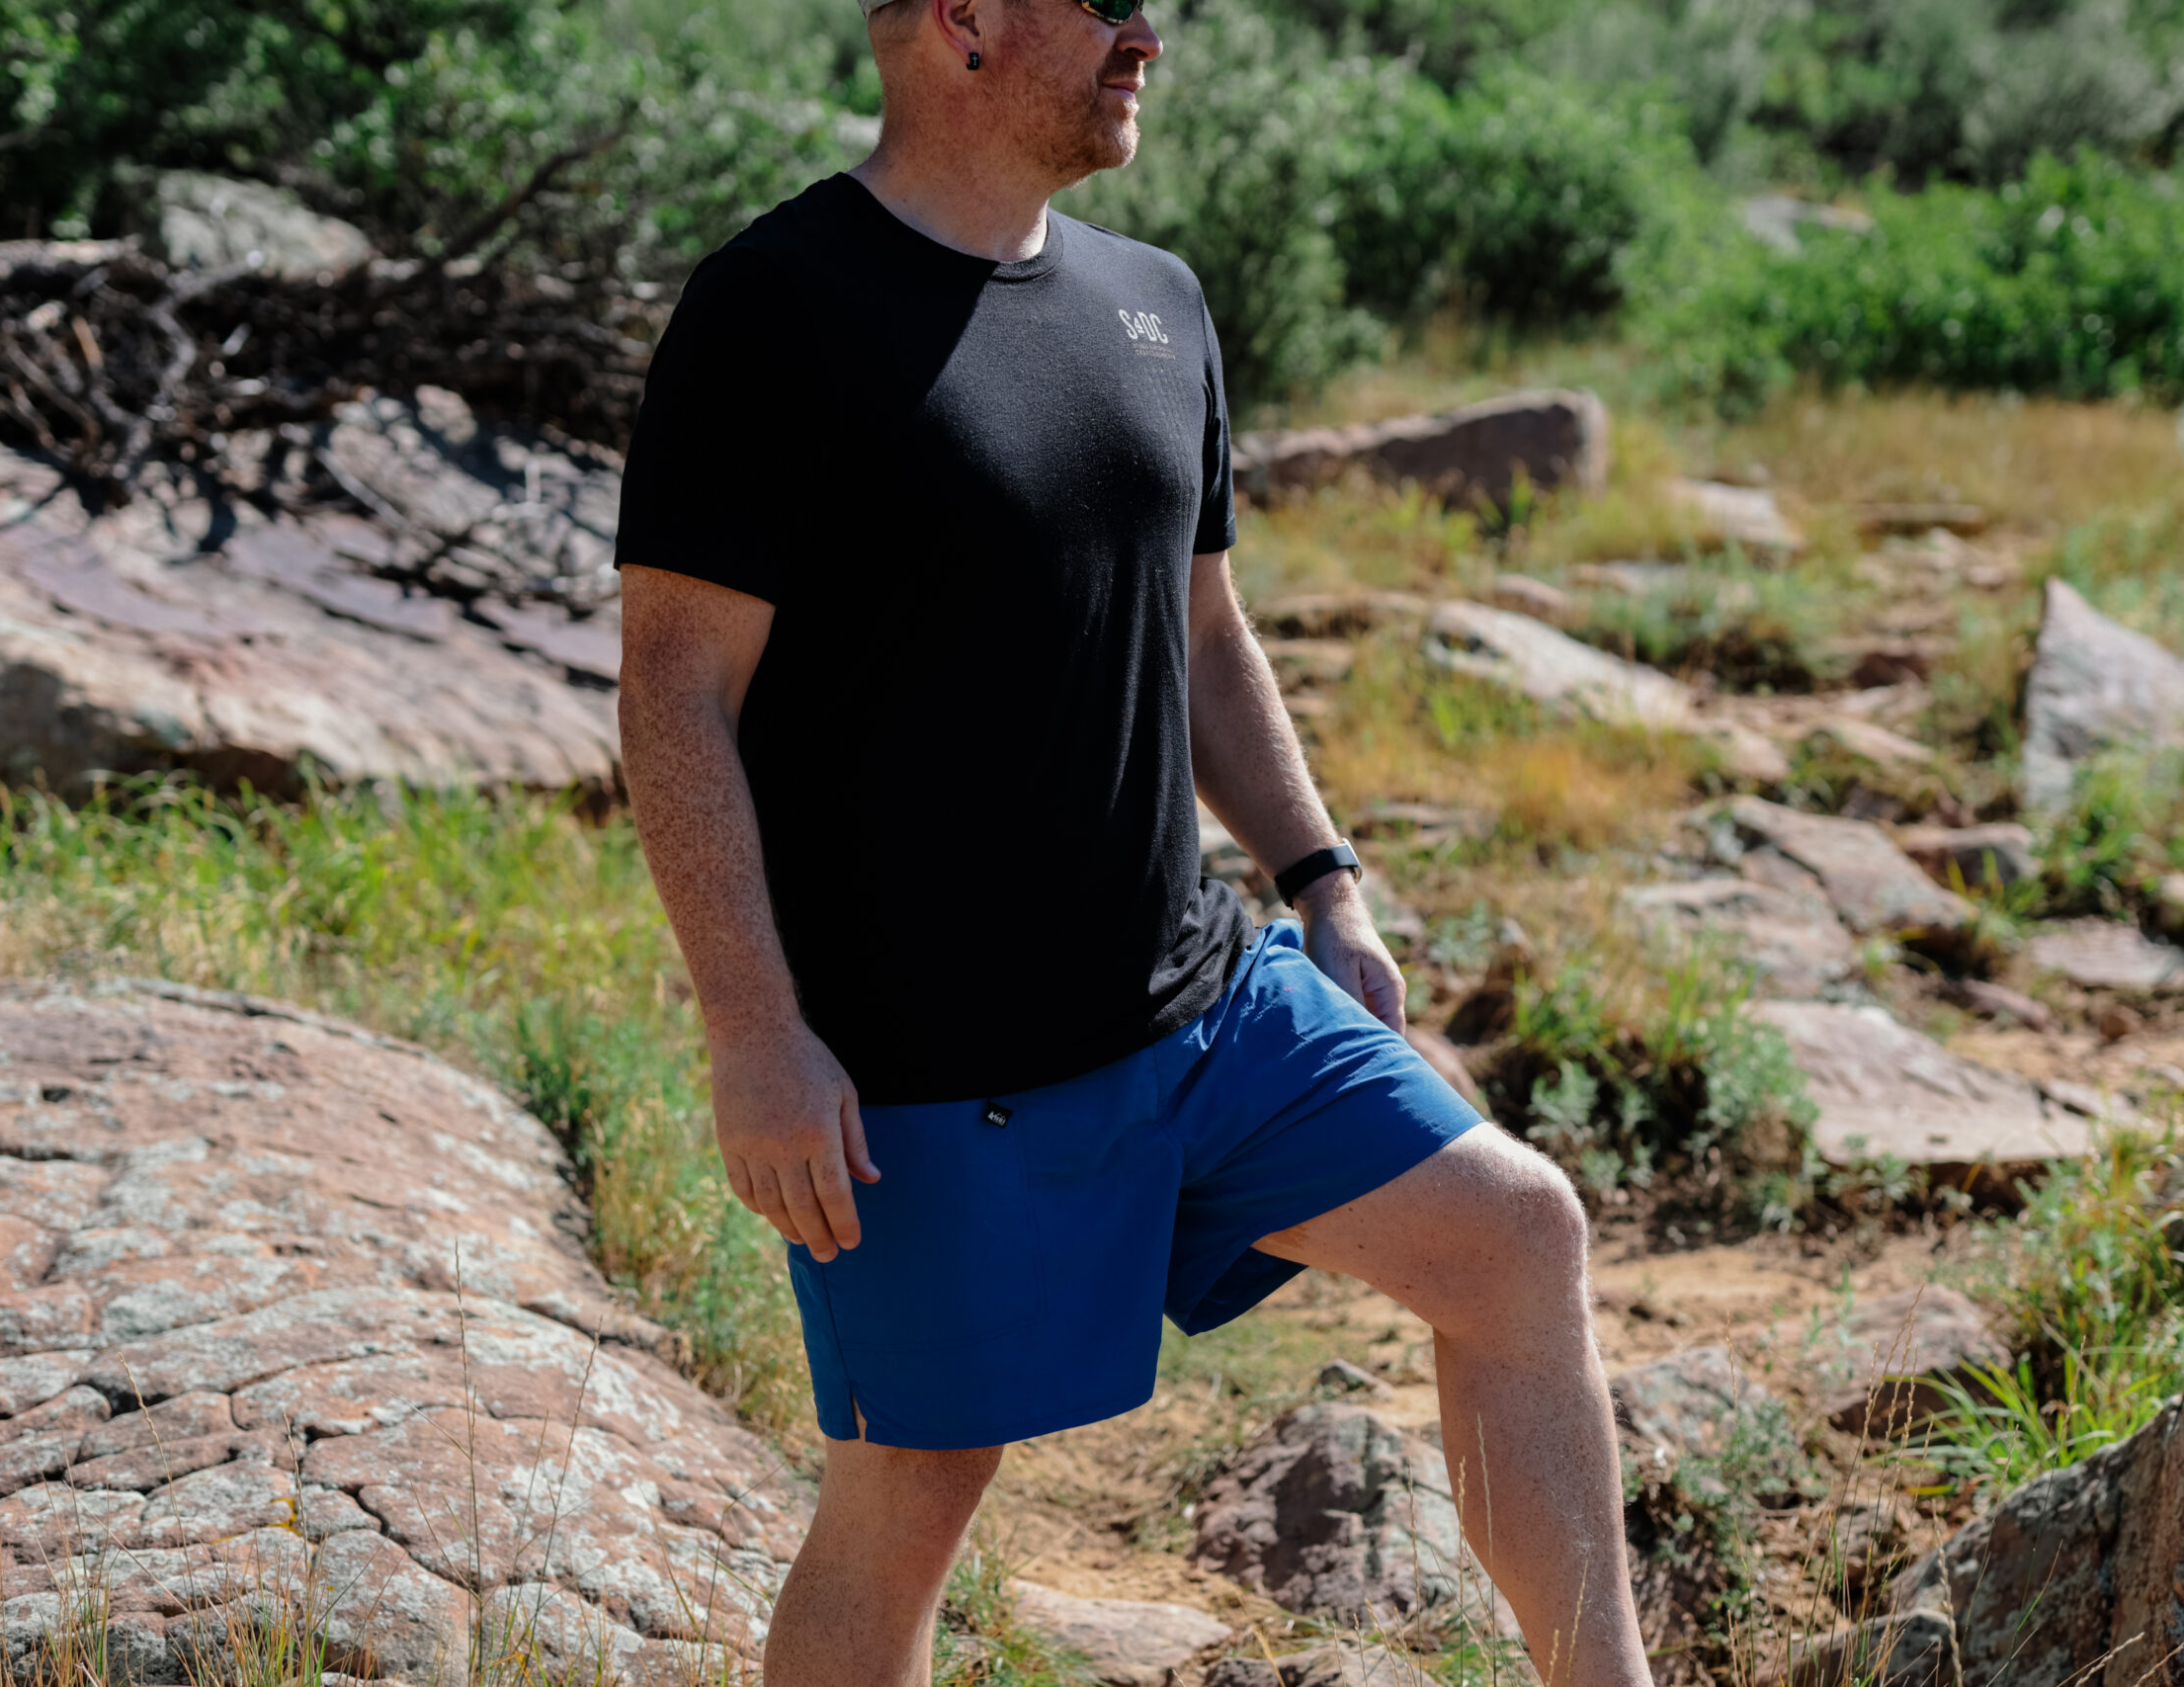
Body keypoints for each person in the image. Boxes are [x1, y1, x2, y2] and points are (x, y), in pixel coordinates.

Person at [613, 1, 1652, 1681]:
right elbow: (674, 695)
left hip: (1206, 1005)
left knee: (1518, 1235)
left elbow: (1209, 634)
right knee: (910, 1498)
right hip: (933, 1077)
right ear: (960, 18)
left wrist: (1322, 879)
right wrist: (754, 1033)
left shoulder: (1155, 302)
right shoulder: (777, 311)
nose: (1149, 31)